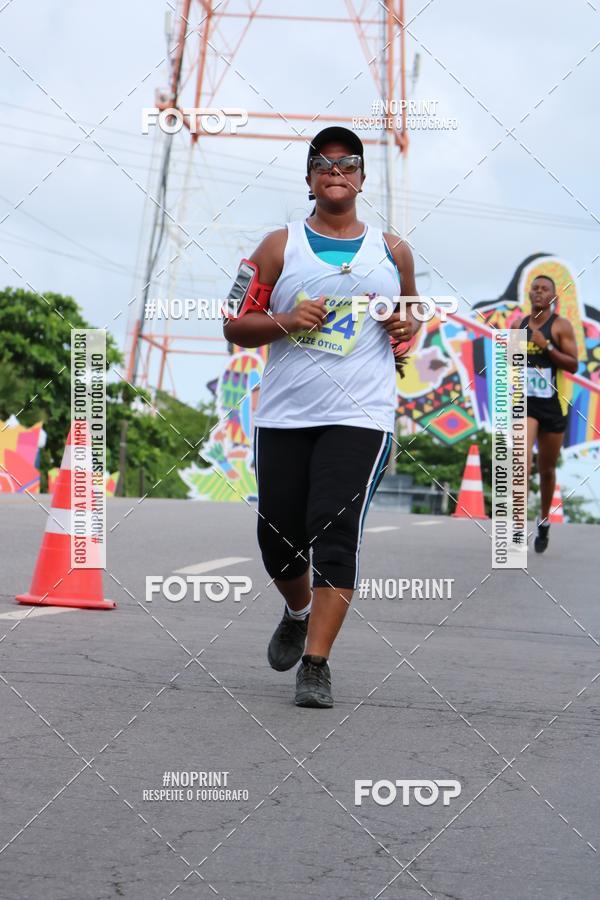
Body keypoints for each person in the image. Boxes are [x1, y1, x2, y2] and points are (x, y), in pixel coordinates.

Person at [222, 126, 421, 707]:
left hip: (361, 416)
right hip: (286, 415)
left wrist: (405, 327)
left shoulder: (393, 250)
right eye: (325, 163)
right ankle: (297, 608)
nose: (337, 171)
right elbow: (234, 325)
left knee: (334, 531)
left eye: (349, 162)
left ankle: (317, 663)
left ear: (362, 177)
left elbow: (408, 320)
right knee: (278, 537)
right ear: (309, 178)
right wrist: (289, 319)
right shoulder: (278, 246)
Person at [514, 274, 578, 552]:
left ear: (553, 297)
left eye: (545, 289)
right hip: (527, 403)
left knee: (547, 470)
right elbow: (515, 365)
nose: (539, 292)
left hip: (553, 405)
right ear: (529, 294)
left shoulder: (560, 326)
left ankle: (543, 521)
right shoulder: (520, 324)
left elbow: (573, 365)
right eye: (535, 288)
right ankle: (517, 528)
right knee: (521, 461)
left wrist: (546, 346)